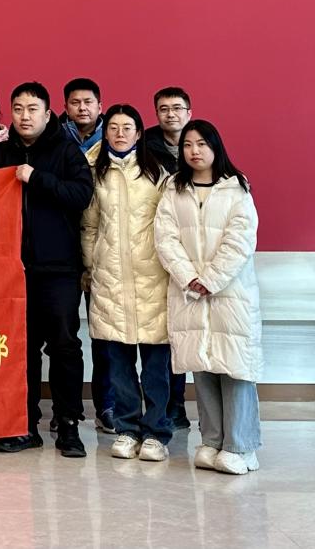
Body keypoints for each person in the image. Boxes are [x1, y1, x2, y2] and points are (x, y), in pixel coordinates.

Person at [0, 82, 93, 458]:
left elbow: (81, 196)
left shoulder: (66, 151)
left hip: (59, 268)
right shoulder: (0, 153)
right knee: (22, 349)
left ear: (48, 114)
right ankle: (24, 425)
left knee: (64, 345)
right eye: (18, 109)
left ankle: (68, 424)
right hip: (12, 269)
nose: (25, 116)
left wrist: (37, 178)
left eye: (32, 109)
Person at [154, 120, 262, 475]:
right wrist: (189, 277)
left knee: (234, 368)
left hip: (230, 294)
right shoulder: (174, 189)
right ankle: (212, 441)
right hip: (189, 293)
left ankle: (240, 446)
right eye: (187, 145)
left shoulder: (236, 189)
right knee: (202, 367)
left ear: (216, 147)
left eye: (201, 144)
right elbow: (165, 238)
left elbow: (240, 241)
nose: (194, 151)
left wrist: (210, 280)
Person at [80, 104, 172, 461]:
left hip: (152, 278)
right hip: (109, 279)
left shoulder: (157, 172)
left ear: (139, 133)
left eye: (127, 127)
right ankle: (127, 429)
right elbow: (89, 226)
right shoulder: (95, 171)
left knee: (155, 365)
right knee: (118, 364)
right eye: (114, 127)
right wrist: (91, 267)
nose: (120, 133)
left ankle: (156, 432)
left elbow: (169, 225)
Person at [62, 77, 114, 432]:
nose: (82, 108)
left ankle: (107, 406)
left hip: (105, 249)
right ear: (65, 107)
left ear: (99, 106)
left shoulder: (115, 140)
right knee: (64, 335)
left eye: (88, 102)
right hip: (64, 248)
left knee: (105, 335)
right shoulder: (55, 139)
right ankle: (67, 409)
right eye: (75, 103)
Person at [142, 86, 194, 429]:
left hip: (191, 253)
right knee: (158, 338)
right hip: (153, 250)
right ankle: (159, 407)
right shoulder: (145, 145)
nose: (170, 114)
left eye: (177, 108)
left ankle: (178, 404)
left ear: (189, 112)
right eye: (163, 109)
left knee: (181, 334)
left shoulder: (199, 143)